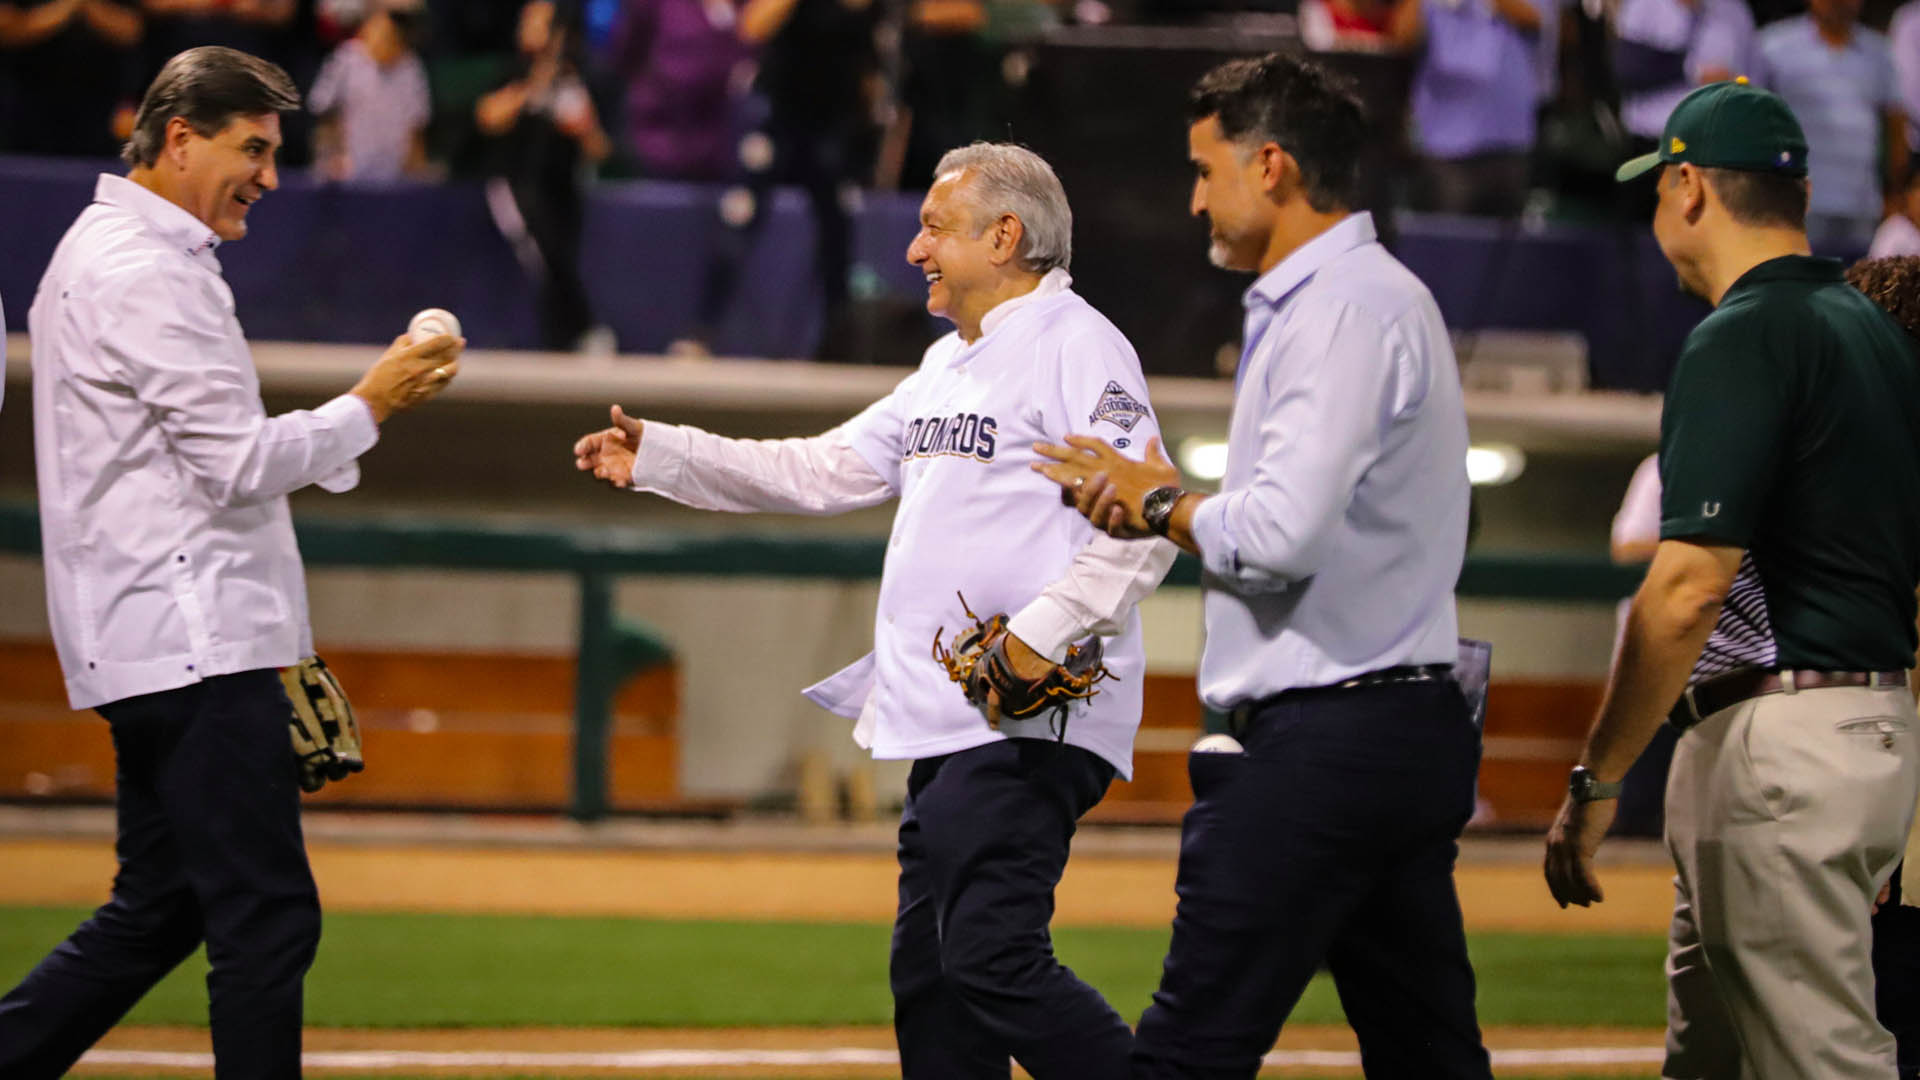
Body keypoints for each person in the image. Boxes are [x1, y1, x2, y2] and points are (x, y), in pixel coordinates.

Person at [574, 142, 1175, 1079]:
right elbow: (822, 470)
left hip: (1028, 718)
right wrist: (665, 455)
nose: (913, 250)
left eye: (935, 227)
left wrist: (1039, 634)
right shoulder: (947, 364)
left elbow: (1149, 518)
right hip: (951, 722)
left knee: (990, 958)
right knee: (933, 983)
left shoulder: (1077, 343)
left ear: (1005, 236)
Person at [0, 45, 462, 1079]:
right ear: (178, 138)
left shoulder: (105, 251)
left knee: (162, 910)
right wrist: (374, 399)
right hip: (194, 642)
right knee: (267, 920)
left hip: (161, 636)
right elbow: (238, 464)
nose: (267, 173)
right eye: (250, 147)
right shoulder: (142, 269)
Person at [1034, 53, 1491, 1078]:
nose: (1195, 199)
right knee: (1430, 1059)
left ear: (1272, 165)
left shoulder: (1340, 307)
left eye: (1207, 169)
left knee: (1188, 1057)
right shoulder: (1354, 299)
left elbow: (1282, 538)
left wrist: (1156, 497)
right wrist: (1168, 492)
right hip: (1390, 729)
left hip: (1325, 745)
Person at [1543, 80, 1920, 1079]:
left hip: (1782, 743)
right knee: (1709, 1058)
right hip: (1866, 728)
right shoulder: (1877, 334)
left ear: (1693, 189)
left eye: (1661, 187)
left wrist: (1596, 780)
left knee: (1823, 1063)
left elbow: (1683, 593)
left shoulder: (1744, 331)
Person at [476, 0, 613, 353]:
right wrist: (530, 89)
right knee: (544, 254)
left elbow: (599, 147)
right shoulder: (512, 70)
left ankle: (564, 340)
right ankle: (581, 330)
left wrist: (581, 126)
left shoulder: (576, 76)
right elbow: (488, 117)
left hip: (563, 188)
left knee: (561, 255)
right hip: (517, 185)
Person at [1752, 0, 1908, 256]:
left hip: (1862, 204)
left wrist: (1895, 191)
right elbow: (1754, 120)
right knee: (1803, 290)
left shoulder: (1879, 51)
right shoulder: (1774, 46)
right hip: (1797, 204)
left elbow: (1895, 125)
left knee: (1858, 290)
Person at [1388, 0, 1555, 217]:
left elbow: (1534, 18)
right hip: (1445, 152)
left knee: (1507, 246)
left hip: (1508, 145)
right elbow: (1401, 39)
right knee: (1447, 244)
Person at [0, 0, 144, 157]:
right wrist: (65, 8)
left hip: (98, 104)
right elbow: (9, 28)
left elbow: (131, 29)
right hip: (28, 100)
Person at [308, 0, 431, 183]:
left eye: (391, 37)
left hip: (394, 175)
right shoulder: (346, 59)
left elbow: (417, 125)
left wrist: (415, 171)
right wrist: (331, 156)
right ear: (366, 31)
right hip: (347, 172)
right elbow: (323, 110)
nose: (383, 41)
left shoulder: (410, 66)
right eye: (379, 33)